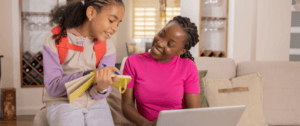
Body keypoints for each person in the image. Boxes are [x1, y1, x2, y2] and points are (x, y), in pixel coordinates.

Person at [42, 0, 124, 126]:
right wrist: (89, 75)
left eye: (118, 24)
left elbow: (101, 95)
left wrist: (101, 87)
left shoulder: (108, 46)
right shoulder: (56, 38)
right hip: (63, 101)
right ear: (91, 12)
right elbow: (53, 87)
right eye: (111, 21)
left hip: (95, 103)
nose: (115, 29)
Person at [121, 16, 201, 126]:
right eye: (161, 34)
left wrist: (163, 123)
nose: (160, 43)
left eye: (170, 44)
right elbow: (126, 105)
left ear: (181, 51)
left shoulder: (188, 67)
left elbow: (193, 112)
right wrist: (146, 124)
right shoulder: (133, 62)